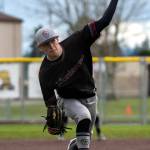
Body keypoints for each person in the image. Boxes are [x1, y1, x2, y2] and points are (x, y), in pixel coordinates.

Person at [35, 0, 118, 149]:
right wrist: (53, 118)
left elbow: (105, 21)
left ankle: (74, 145)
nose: (52, 45)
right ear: (41, 48)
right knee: (83, 117)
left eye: (53, 40)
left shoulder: (78, 40)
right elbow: (50, 102)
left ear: (57, 38)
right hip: (67, 99)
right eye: (46, 44)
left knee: (86, 137)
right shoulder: (45, 73)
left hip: (90, 95)